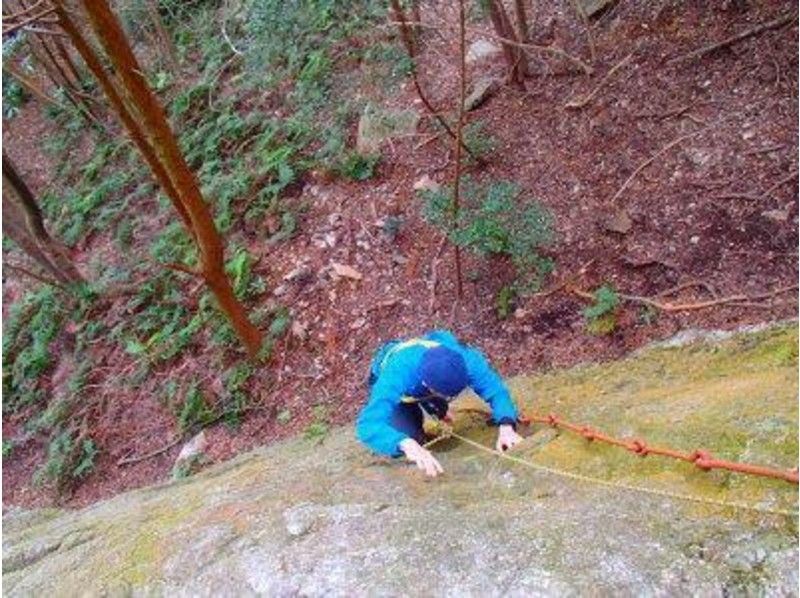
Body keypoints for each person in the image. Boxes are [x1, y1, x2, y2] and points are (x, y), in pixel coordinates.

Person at [356, 330, 523, 477]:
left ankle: (436, 408)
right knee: (409, 436)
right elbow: (368, 424)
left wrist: (507, 424)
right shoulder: (396, 374)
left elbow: (496, 390)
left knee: (439, 409)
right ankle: (420, 415)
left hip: (426, 383)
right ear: (429, 387)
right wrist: (405, 444)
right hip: (401, 392)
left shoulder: (466, 359)